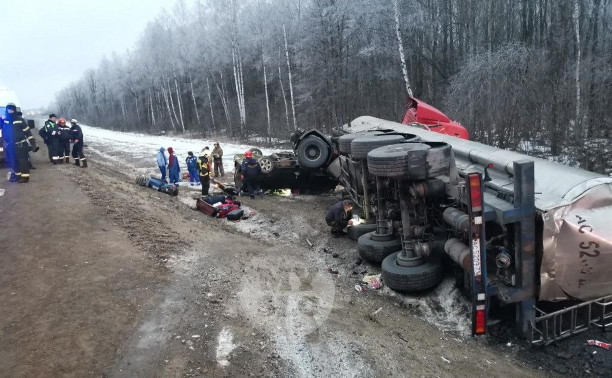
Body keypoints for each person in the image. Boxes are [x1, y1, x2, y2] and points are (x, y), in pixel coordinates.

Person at [2, 103, 38, 183]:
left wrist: (33, 144)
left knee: (22, 161)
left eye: (12, 109)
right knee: (14, 161)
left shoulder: (20, 120)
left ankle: (25, 177)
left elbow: (28, 133)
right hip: (10, 145)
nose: (10, 111)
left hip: (20, 144)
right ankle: (18, 176)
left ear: (14, 110)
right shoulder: (5, 120)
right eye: (9, 109)